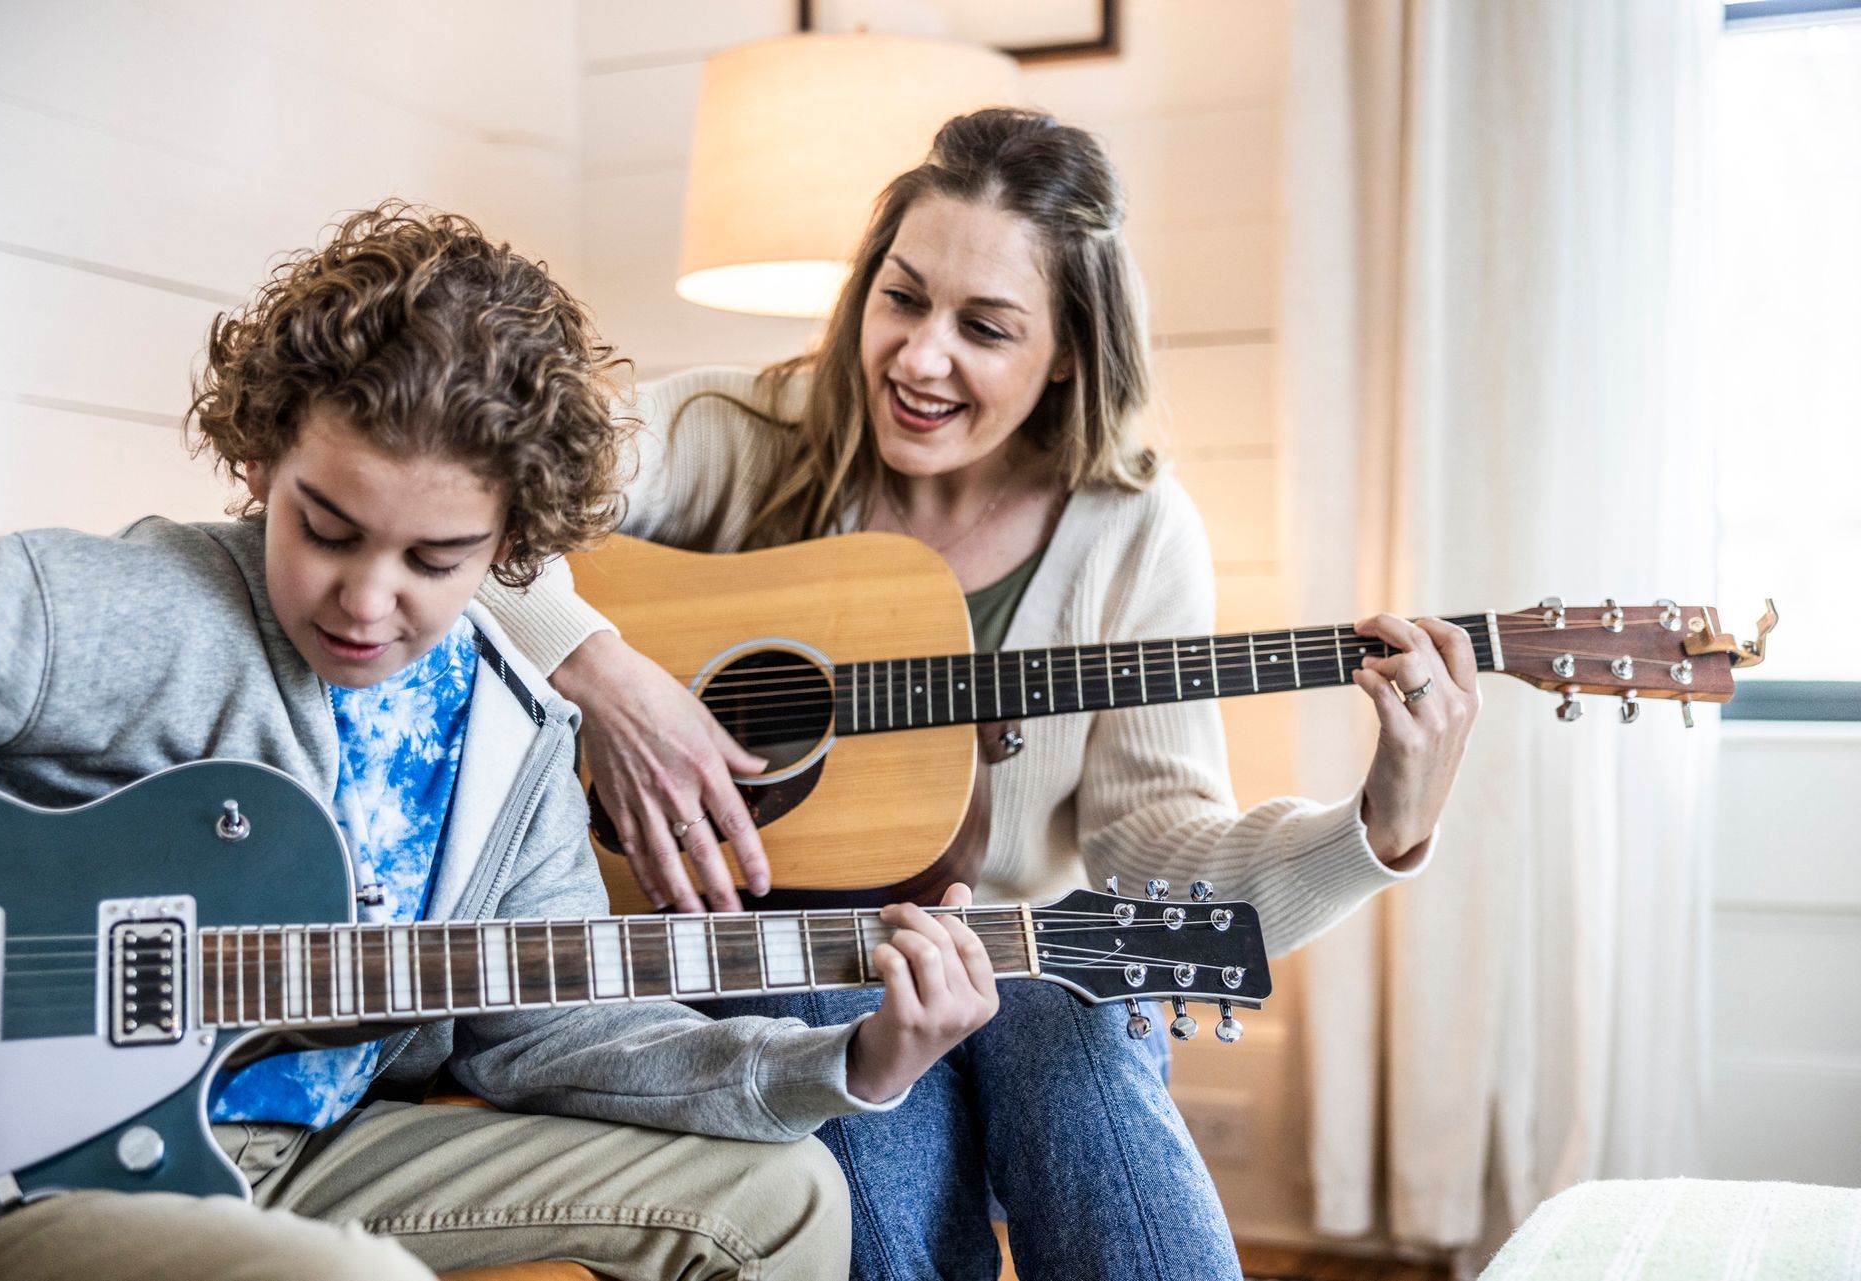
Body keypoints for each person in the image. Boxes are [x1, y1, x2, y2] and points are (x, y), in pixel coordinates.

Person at [477, 109, 1481, 1281]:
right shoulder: (727, 430)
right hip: (772, 950)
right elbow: (468, 502)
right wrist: (609, 681)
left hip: (1019, 958)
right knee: (842, 1052)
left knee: (1083, 1037)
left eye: (985, 328)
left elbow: (1153, 852)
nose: (918, 358)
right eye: (901, 300)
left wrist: (1375, 831)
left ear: (1068, 352)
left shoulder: (1133, 528)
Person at [0, 205, 1002, 1281]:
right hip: (26, 1174)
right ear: (261, 462)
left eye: (435, 559)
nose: (367, 599)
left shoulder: (512, 736)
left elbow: (556, 1036)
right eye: (328, 530)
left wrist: (857, 1057)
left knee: (784, 1197)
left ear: (514, 541)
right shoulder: (118, 610)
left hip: (313, 1157)